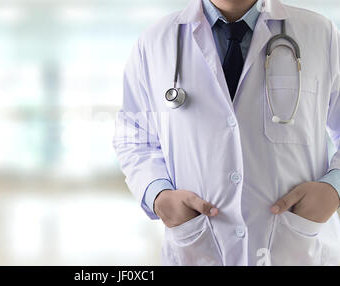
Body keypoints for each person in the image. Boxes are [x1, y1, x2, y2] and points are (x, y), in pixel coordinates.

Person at [113, 0, 340, 265]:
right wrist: (158, 194)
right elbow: (133, 137)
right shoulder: (155, 42)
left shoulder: (320, 34)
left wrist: (333, 187)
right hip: (197, 246)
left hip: (296, 247)